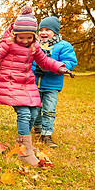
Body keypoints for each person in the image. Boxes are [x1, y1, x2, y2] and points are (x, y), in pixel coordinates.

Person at [0, 6, 73, 167]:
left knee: (34, 112)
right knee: (24, 113)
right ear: (15, 35)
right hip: (10, 83)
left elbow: (45, 61)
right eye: (21, 38)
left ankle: (22, 145)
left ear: (34, 36)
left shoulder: (34, 47)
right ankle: (24, 152)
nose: (25, 41)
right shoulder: (8, 44)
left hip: (27, 84)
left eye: (28, 38)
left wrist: (60, 67)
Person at [32, 16, 77, 148]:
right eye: (41, 30)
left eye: (48, 30)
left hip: (52, 85)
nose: (43, 33)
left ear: (55, 32)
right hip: (34, 84)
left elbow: (70, 61)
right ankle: (38, 127)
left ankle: (46, 135)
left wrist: (58, 66)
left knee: (49, 111)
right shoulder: (35, 45)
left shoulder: (63, 46)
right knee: (35, 109)